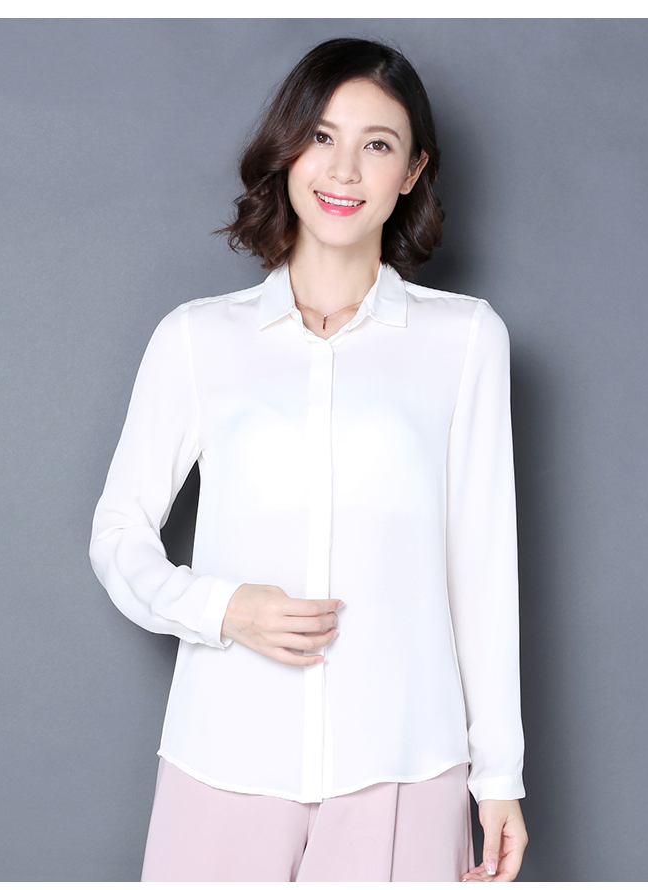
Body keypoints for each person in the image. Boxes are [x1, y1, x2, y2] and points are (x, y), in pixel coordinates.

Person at [89, 36, 527, 882]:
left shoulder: (467, 339)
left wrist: (498, 777)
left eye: (378, 145)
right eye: (322, 136)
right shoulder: (195, 339)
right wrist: (224, 609)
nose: (344, 170)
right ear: (289, 148)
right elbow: (118, 534)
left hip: (404, 767)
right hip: (223, 760)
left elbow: (482, 571)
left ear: (412, 171)